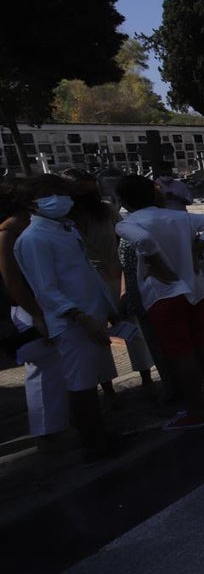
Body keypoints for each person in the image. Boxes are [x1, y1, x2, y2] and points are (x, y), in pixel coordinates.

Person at [14, 174, 122, 462]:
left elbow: (87, 270)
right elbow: (45, 289)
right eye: (53, 194)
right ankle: (95, 444)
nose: (63, 199)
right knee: (81, 385)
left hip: (92, 314)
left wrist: (108, 306)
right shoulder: (33, 239)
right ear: (32, 203)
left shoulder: (66, 229)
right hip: (73, 322)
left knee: (93, 379)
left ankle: (103, 435)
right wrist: (79, 316)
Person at [116, 175, 204, 430]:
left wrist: (155, 260)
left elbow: (143, 241)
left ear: (123, 200)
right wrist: (198, 246)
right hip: (195, 288)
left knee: (181, 355)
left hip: (163, 293)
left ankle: (196, 409)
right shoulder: (178, 216)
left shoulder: (128, 223)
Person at [0, 182, 74, 454]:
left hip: (46, 306)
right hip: (32, 309)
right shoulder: (9, 232)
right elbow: (12, 281)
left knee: (56, 369)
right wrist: (36, 314)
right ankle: (48, 432)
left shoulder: (35, 227)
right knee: (44, 372)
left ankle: (59, 425)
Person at [62, 168, 122, 405]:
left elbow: (123, 237)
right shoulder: (64, 221)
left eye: (90, 192)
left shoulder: (106, 211)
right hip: (85, 282)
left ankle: (146, 376)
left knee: (128, 326)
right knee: (97, 336)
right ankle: (107, 388)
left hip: (114, 272)